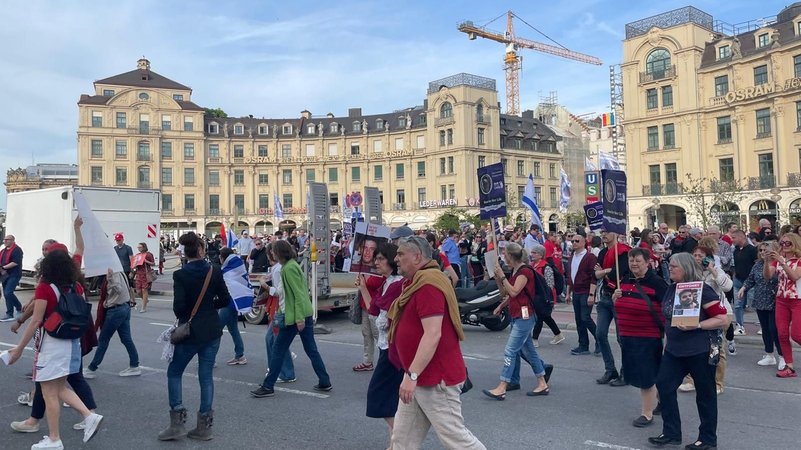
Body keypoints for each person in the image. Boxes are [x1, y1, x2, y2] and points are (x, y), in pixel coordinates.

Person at [386, 236, 484, 449]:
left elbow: (432, 334)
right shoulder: (416, 282)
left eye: (401, 254)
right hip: (418, 375)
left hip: (435, 379)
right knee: (402, 441)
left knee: (457, 442)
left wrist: (412, 375)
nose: (396, 258)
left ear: (417, 257)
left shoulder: (428, 285)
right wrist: (410, 374)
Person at [6, 247, 104, 449]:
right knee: (57, 388)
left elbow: (36, 321)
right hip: (69, 341)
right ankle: (87, 416)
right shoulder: (76, 286)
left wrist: (19, 348)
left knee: (49, 391)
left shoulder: (45, 287)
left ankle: (55, 438)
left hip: (50, 343)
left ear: (46, 265)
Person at [648, 253, 728, 450]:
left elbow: (723, 319)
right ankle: (671, 432)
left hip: (699, 349)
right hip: (675, 350)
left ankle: (708, 439)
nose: (671, 268)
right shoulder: (672, 288)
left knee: (705, 394)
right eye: (670, 265)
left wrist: (697, 325)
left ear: (686, 268)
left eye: (674, 266)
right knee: (664, 387)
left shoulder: (703, 290)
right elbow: (668, 318)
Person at [159, 232, 232, 441]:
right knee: (206, 376)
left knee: (174, 372)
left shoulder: (180, 275)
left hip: (190, 333)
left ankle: (177, 422)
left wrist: (191, 314)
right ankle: (204, 427)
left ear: (185, 253)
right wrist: (208, 307)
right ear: (201, 250)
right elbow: (225, 300)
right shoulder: (214, 271)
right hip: (212, 330)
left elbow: (179, 308)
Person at [251, 240, 332, 398]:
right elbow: (296, 292)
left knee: (278, 350)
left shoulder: (288, 269)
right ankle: (324, 381)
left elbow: (298, 294)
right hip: (300, 314)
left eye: (273, 251)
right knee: (310, 349)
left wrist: (299, 318)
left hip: (293, 316)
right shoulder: (291, 266)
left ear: (279, 252)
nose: (272, 254)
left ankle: (268, 386)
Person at [482, 243, 550, 400]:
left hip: (524, 316)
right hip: (518, 314)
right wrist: (499, 281)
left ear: (511, 256)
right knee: (529, 351)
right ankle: (542, 382)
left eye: (505, 255)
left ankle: (503, 385)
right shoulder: (516, 271)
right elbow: (506, 293)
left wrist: (504, 277)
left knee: (510, 351)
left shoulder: (524, 272)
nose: (503, 258)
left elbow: (514, 291)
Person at [611, 247, 668, 428]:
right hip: (628, 335)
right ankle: (662, 401)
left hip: (648, 336)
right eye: (631, 260)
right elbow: (620, 305)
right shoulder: (625, 280)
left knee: (646, 375)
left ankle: (647, 413)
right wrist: (615, 297)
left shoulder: (657, 283)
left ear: (647, 262)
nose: (634, 264)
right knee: (648, 373)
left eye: (638, 261)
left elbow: (668, 307)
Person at [364, 243, 404, 445]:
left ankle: (402, 440)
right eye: (375, 258)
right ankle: (395, 443)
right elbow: (373, 311)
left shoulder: (397, 284)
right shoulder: (386, 283)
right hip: (385, 346)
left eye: (380, 259)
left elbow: (384, 316)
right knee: (391, 401)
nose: (376, 262)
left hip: (393, 348)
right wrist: (363, 287)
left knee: (378, 396)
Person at [84, 268, 141, 378]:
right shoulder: (119, 271)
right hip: (124, 307)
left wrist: (110, 280)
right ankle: (134, 365)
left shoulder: (113, 273)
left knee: (104, 339)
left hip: (116, 309)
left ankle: (92, 368)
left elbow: (118, 289)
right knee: (126, 338)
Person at [594, 229, 631, 385]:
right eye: (602, 232)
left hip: (619, 296)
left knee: (621, 337)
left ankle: (626, 372)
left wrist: (604, 272)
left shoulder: (623, 252)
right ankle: (610, 370)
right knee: (600, 333)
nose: (604, 235)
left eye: (607, 232)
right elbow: (595, 274)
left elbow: (620, 271)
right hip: (605, 296)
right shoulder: (602, 253)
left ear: (615, 234)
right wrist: (605, 272)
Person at [762, 232, 801, 378]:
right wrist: (766, 261)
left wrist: (782, 262)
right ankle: (789, 366)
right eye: (782, 243)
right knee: (782, 334)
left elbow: (795, 276)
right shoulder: (778, 260)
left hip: (798, 299)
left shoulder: (798, 260)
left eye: (788, 243)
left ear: (795, 244)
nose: (784, 246)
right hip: (782, 300)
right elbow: (767, 276)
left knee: (797, 335)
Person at [740, 241, 783, 369]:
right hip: (760, 300)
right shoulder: (757, 264)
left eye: (766, 250)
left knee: (774, 329)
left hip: (775, 300)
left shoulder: (780, 263)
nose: (763, 253)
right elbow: (751, 279)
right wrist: (744, 288)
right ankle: (769, 354)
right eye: (761, 250)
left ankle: (783, 356)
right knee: (765, 329)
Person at [257, 242, 295, 383]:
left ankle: (283, 371)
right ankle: (281, 369)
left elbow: (279, 292)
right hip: (280, 307)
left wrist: (265, 286)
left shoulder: (279, 269)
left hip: (280, 308)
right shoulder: (281, 267)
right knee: (276, 340)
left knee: (275, 340)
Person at [566, 233, 599, 356]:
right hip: (576, 292)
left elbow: (594, 277)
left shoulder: (590, 257)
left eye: (577, 241)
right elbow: (570, 276)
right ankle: (583, 345)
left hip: (586, 291)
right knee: (579, 319)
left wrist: (591, 294)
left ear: (584, 243)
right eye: (573, 241)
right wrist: (568, 293)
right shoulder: (571, 257)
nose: (574, 243)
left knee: (585, 317)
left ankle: (600, 340)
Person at [528, 244, 564, 347]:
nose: (532, 254)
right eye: (532, 252)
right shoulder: (531, 265)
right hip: (535, 295)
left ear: (541, 255)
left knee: (540, 316)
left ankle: (534, 339)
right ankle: (558, 334)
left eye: (535, 253)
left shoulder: (546, 267)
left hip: (544, 296)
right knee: (546, 316)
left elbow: (550, 284)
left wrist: (547, 298)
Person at [218, 247, 249, 366]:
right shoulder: (237, 268)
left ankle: (209, 358)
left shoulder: (227, 271)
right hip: (235, 302)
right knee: (233, 329)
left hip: (228, 303)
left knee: (216, 330)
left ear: (222, 258)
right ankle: (240, 355)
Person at [732, 230, 758, 335]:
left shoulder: (752, 250)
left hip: (751, 281)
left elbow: (756, 265)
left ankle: (761, 325)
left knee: (754, 305)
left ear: (741, 237)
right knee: (738, 305)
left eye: (734, 237)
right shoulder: (736, 250)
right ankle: (740, 326)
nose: (732, 240)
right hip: (738, 280)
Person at [1, 234, 24, 321]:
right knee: (6, 295)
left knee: (8, 293)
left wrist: (3, 267)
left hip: (14, 274)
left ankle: (19, 307)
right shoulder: (3, 251)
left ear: (12, 240)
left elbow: (15, 262)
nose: (5, 241)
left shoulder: (17, 250)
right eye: (4, 239)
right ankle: (9, 314)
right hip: (4, 275)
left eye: (7, 239)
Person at [131, 242, 155, 313]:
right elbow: (134, 265)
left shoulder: (148, 254)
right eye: (138, 247)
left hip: (146, 274)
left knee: (144, 290)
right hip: (139, 274)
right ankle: (145, 299)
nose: (139, 249)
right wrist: (133, 267)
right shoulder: (137, 255)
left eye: (140, 247)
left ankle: (143, 307)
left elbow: (153, 263)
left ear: (144, 247)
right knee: (138, 291)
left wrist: (146, 261)